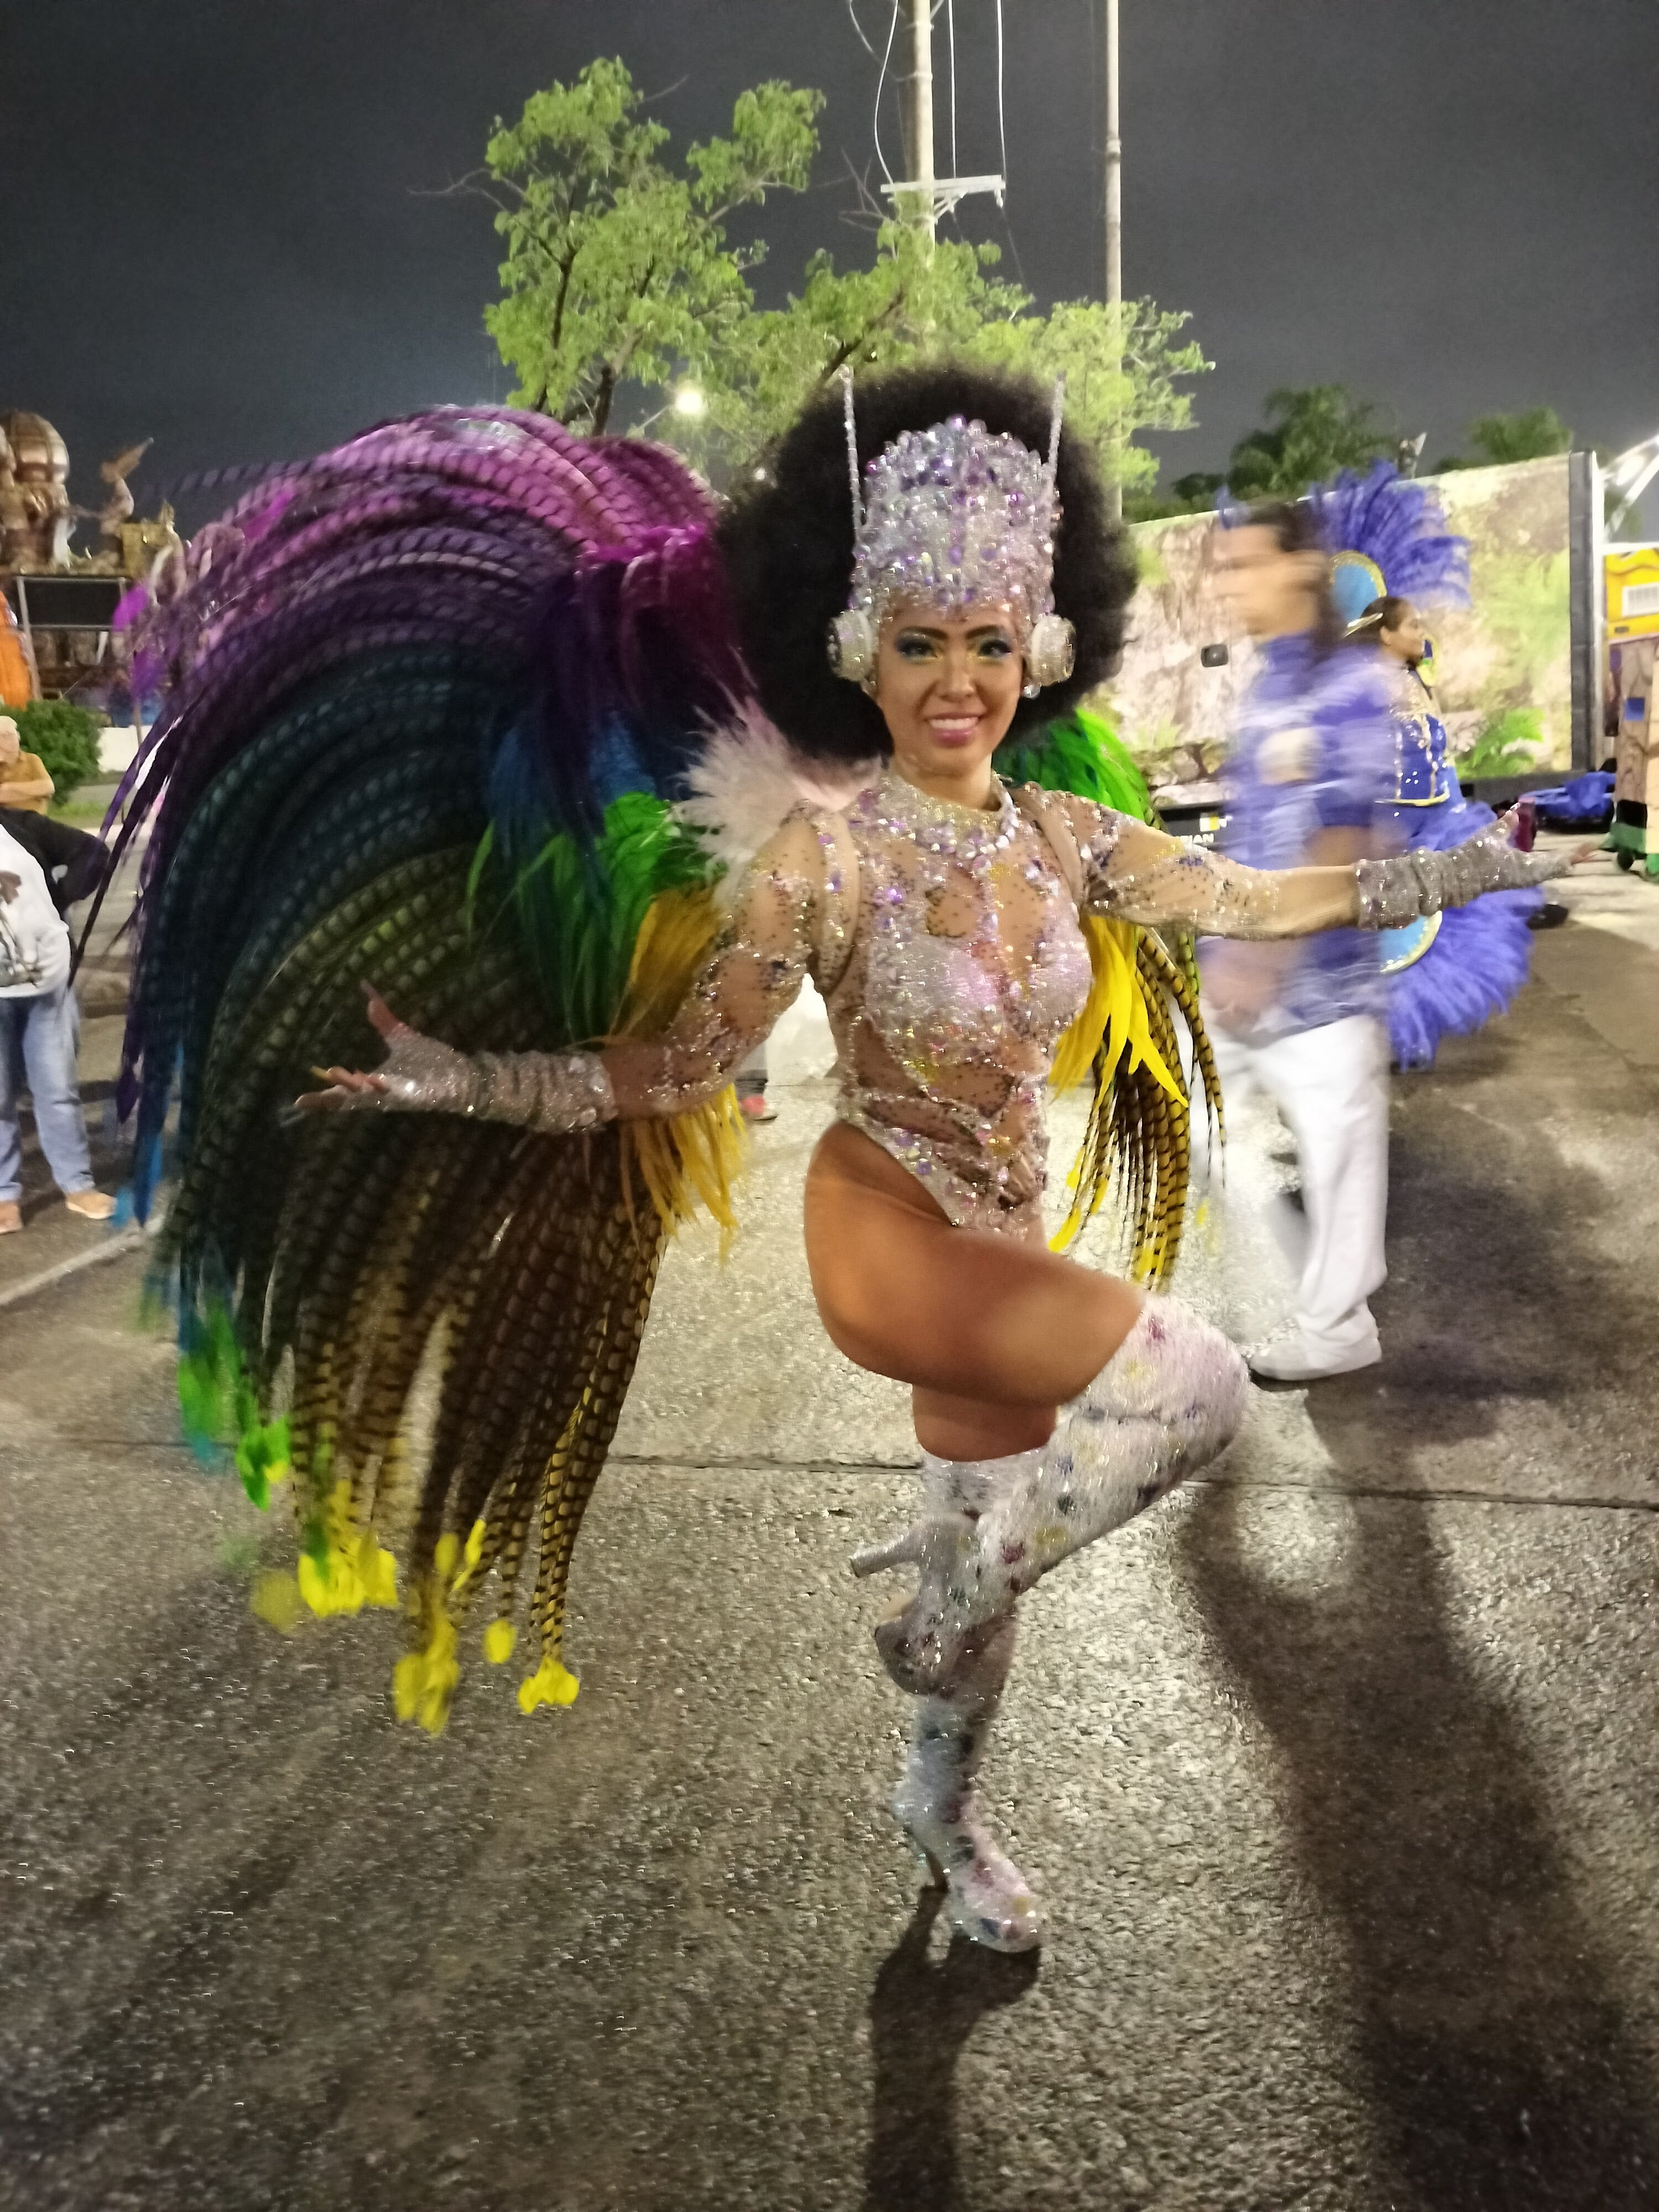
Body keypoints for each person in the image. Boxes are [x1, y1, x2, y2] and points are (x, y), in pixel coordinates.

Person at [116, 377, 1577, 1953]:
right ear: (858, 655)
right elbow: (681, 1068)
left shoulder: (1066, 841)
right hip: (881, 1223)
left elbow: (1257, 899)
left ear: (1040, 650)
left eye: (988, 643)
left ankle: (938, 1805)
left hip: (1001, 1232)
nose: (957, 682)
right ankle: (943, 1602)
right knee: (1195, 1390)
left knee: (989, 1547)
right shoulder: (818, 863)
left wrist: (1463, 866)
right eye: (918, 643)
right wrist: (464, 1080)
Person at [1198, 503, 1405, 1385]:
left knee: (1339, 1164)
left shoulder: (1351, 686)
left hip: (1322, 990)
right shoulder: (1269, 687)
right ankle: (1235, 1316)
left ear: (1303, 567)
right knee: (1187, 1138)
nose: (1230, 586)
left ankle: (1335, 1329)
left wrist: (1263, 961)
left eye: (1245, 564)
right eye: (1224, 568)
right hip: (1239, 973)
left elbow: (1344, 835)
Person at [1348, 593, 1543, 1060]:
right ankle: (1379, 1037)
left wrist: (1457, 815)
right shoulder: (1359, 688)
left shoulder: (1417, 682)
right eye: (1413, 626)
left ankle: (1410, 1032)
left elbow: (1442, 759)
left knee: (1443, 929)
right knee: (1390, 937)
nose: (1422, 633)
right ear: (1386, 634)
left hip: (1437, 823)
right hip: (1388, 830)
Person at [0, 815, 116, 1234]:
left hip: (48, 984)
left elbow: (93, 854)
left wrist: (57, 897)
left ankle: (77, 1185)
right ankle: (4, 1195)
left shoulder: (19, 825)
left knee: (58, 1089)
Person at [0, 713, 54, 815]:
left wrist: (11, 787)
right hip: (8, 821)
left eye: (15, 734)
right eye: (7, 735)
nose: (15, 739)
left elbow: (48, 787)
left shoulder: (32, 759)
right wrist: (34, 793)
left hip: (36, 819)